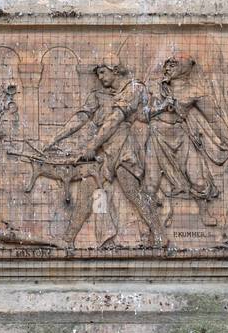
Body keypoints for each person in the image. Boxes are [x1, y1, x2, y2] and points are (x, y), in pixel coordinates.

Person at [43, 58, 168, 249]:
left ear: (115, 70)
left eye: (103, 72)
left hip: (123, 147)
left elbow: (115, 120)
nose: (100, 77)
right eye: (98, 74)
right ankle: (67, 239)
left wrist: (92, 146)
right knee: (86, 192)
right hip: (102, 152)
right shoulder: (98, 95)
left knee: (133, 192)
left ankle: (160, 235)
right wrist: (54, 139)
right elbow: (80, 118)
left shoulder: (134, 89)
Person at [145, 56, 228, 243]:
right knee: (151, 184)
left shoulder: (194, 91)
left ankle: (203, 211)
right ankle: (152, 227)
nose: (168, 68)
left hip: (182, 135)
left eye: (173, 65)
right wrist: (161, 106)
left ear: (184, 69)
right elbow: (143, 114)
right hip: (157, 138)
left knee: (198, 178)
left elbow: (214, 120)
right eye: (167, 65)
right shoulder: (156, 88)